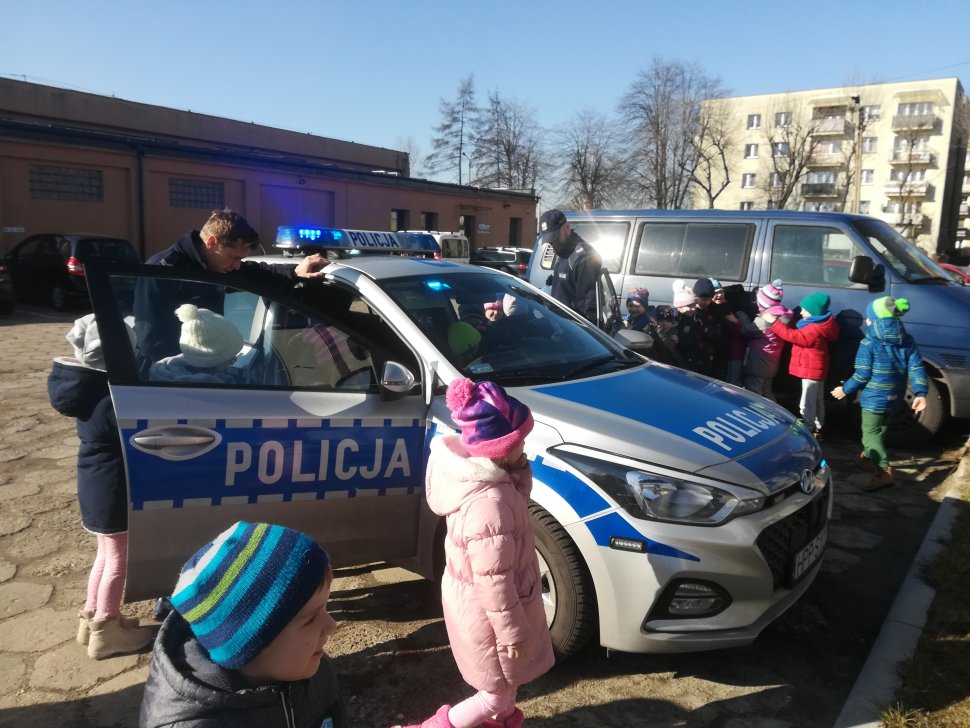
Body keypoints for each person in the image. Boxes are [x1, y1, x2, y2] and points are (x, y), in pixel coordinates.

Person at [397, 379, 554, 728]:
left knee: (505, 686)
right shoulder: (490, 504)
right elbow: (493, 580)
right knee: (494, 694)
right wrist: (512, 632)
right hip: (490, 618)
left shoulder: (491, 484)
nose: (525, 446)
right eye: (520, 441)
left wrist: (517, 468)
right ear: (499, 448)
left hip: (482, 609)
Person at [140, 521, 346, 728]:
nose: (332, 625)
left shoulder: (311, 669)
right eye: (310, 618)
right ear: (250, 644)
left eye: (325, 608)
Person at [47, 314, 155, 660]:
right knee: (119, 561)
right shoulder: (112, 402)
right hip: (111, 494)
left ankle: (92, 617)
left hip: (95, 489)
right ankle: (106, 630)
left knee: (105, 557)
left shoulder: (89, 391)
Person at [134, 209, 327, 364]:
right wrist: (182, 373)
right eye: (234, 258)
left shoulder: (216, 263)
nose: (236, 266)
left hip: (210, 366)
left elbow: (258, 273)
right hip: (170, 376)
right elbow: (151, 339)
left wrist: (294, 272)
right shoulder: (162, 270)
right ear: (211, 243)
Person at [831, 297, 928, 491]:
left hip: (874, 398)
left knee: (870, 434)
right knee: (881, 429)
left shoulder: (869, 343)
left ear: (875, 320)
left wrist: (844, 390)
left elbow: (862, 374)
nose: (867, 321)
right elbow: (916, 366)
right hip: (895, 396)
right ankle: (867, 457)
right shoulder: (907, 340)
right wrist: (920, 393)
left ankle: (884, 472)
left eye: (869, 317)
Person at [763, 292, 840, 440]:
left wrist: (774, 323)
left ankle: (808, 427)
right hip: (817, 368)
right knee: (817, 399)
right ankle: (818, 427)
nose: (801, 312)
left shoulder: (814, 328)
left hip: (811, 369)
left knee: (808, 400)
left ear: (814, 312)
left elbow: (796, 338)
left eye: (805, 309)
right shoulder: (824, 324)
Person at [148, 304, 244, 384]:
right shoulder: (216, 390)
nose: (231, 363)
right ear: (214, 360)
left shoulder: (163, 374)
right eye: (231, 360)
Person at [541, 209, 602, 323]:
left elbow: (586, 312)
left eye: (554, 237)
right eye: (549, 239)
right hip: (559, 326)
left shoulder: (584, 258)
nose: (552, 242)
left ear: (567, 227)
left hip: (571, 332)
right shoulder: (563, 252)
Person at [743, 279, 791, 401]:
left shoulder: (764, 320)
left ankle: (754, 416)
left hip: (759, 361)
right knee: (766, 391)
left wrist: (741, 316)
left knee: (754, 393)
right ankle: (775, 415)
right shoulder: (784, 316)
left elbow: (746, 330)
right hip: (773, 360)